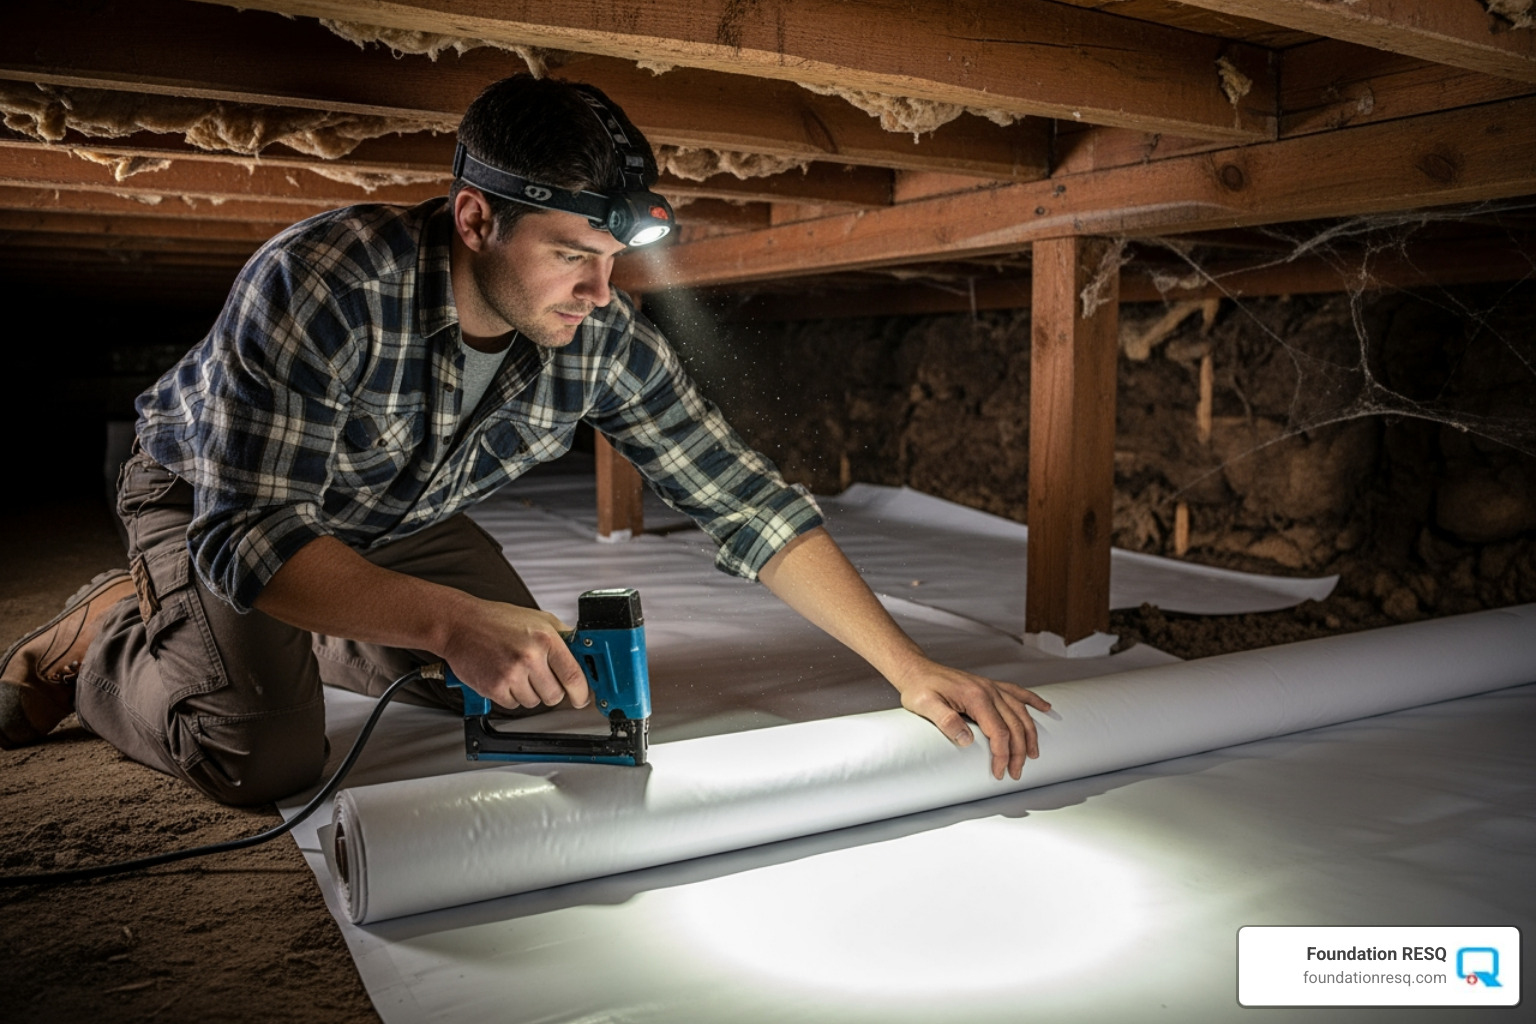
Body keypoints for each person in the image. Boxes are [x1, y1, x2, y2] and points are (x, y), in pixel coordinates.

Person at [0, 75, 1050, 805]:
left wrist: (910, 669)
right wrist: (451, 620)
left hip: (388, 516)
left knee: (524, 687)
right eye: (570, 255)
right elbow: (251, 537)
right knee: (263, 753)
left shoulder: (601, 340)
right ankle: (105, 639)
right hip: (213, 502)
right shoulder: (329, 279)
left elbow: (746, 499)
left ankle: (274, 625)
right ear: (473, 219)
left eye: (611, 258)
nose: (600, 292)